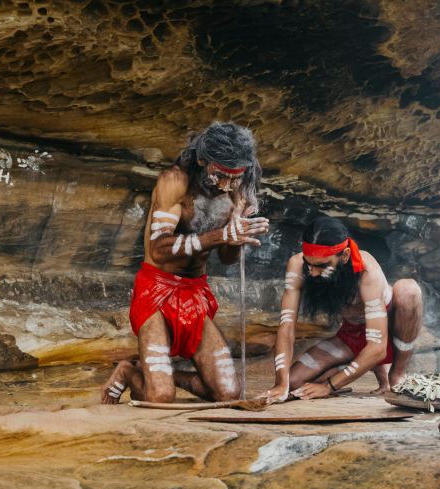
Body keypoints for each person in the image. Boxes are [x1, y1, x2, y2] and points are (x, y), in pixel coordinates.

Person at [101, 122, 270, 404]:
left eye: (235, 178)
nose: (226, 185)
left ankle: (166, 375)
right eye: (220, 175)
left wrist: (238, 233)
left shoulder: (235, 191)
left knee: (228, 393)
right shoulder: (174, 182)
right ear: (203, 161)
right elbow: (159, 249)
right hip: (156, 291)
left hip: (194, 294)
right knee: (160, 397)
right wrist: (221, 234)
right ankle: (129, 372)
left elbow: (228, 259)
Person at [260, 216, 423, 402]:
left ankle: (396, 375)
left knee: (408, 290)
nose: (312, 272)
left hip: (388, 329)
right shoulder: (297, 265)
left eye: (321, 265)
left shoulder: (367, 270)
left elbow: (378, 347)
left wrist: (328, 386)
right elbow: (286, 326)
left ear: (344, 256)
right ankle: (354, 366)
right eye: (309, 263)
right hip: (352, 334)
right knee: (294, 383)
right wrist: (281, 383)